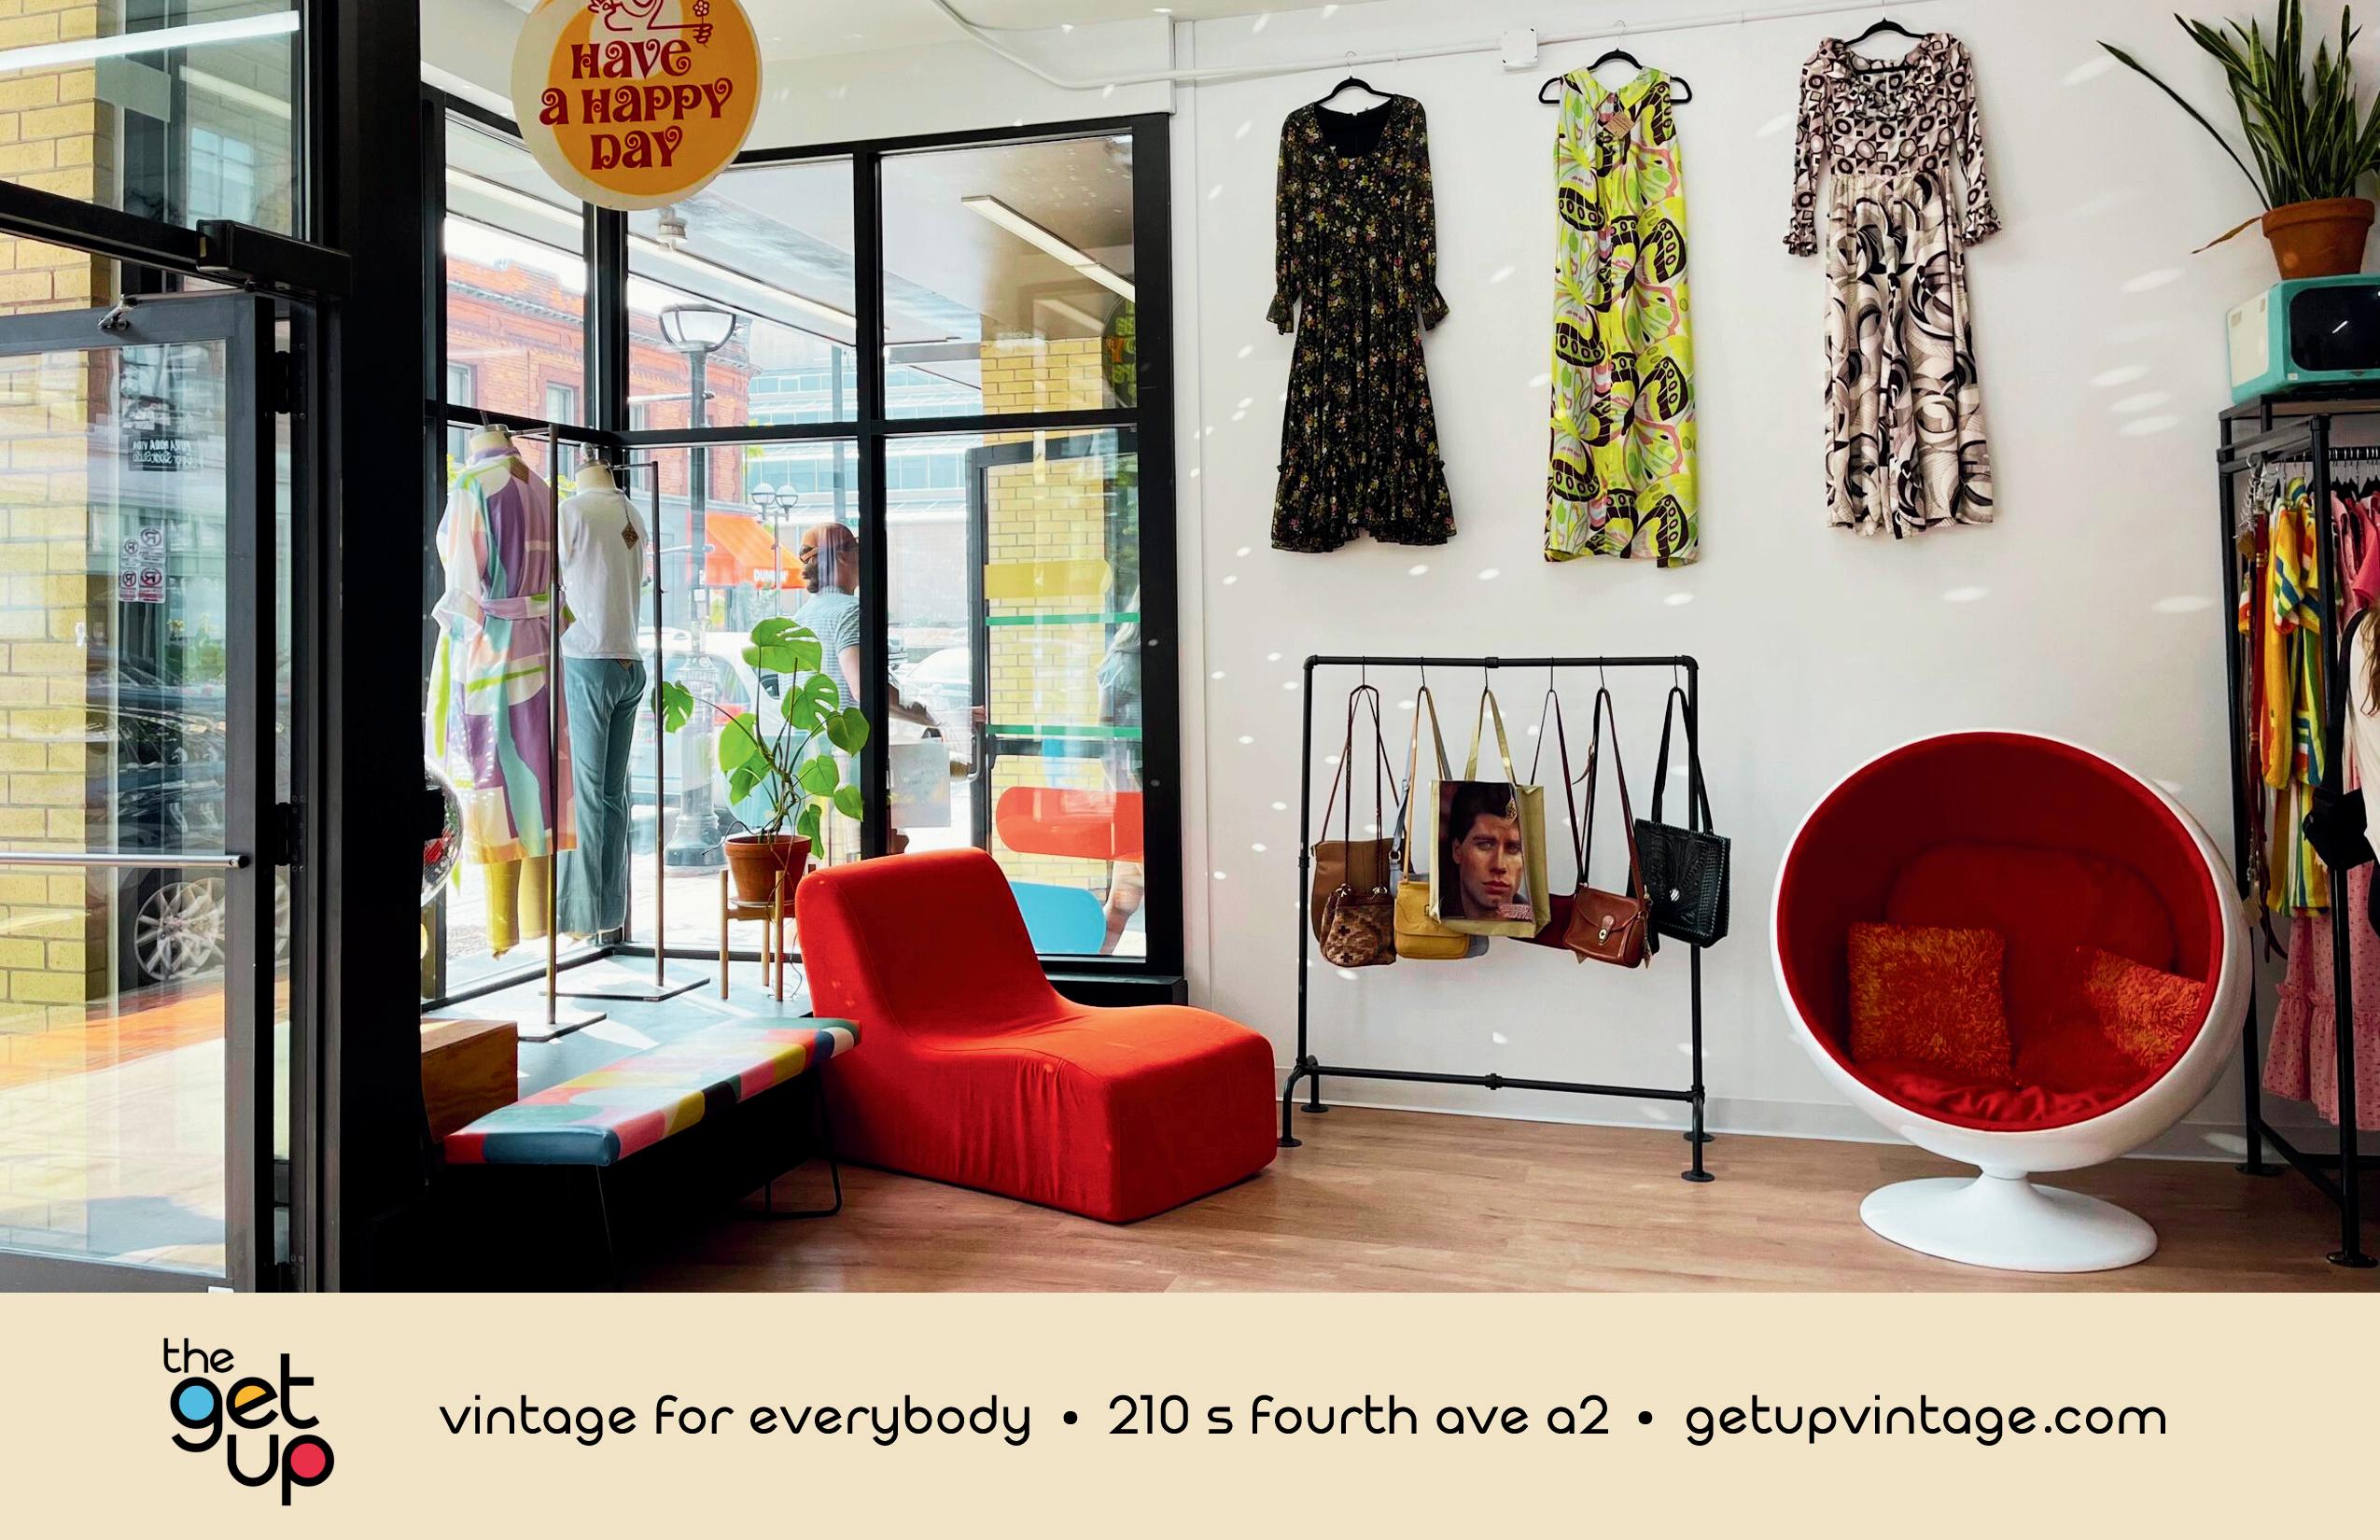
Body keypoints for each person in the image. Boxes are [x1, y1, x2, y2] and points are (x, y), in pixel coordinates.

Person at [1439, 781, 1529, 922]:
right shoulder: (1433, 919)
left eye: (1513, 848)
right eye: (1485, 845)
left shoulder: (1540, 925)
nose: (1499, 866)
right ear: (1457, 850)